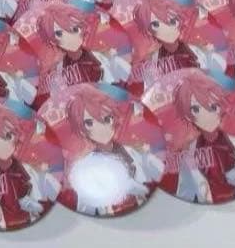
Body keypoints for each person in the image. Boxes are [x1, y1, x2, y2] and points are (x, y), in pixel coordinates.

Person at [62, 85, 162, 216]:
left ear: (114, 119)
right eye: (89, 123)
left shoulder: (134, 152)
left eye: (107, 119)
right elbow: (86, 207)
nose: (101, 128)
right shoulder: (85, 170)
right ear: (81, 129)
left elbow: (157, 174)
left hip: (147, 211)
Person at [0, 101, 59, 228]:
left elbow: (52, 190)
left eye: (8, 135)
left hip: (34, 224)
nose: (2, 143)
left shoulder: (28, 171)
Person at [170, 72, 235, 203]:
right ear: (187, 115)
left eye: (213, 107)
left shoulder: (234, 142)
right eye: (195, 109)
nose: (206, 116)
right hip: (207, 205)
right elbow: (185, 189)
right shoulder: (189, 152)